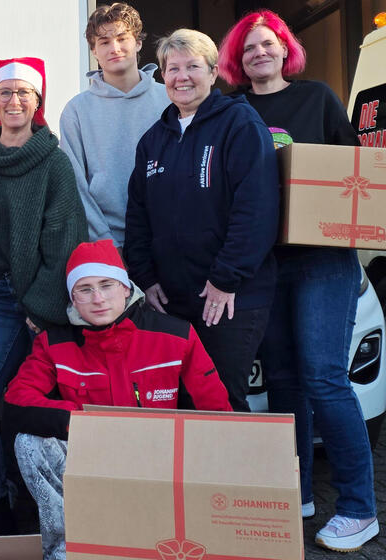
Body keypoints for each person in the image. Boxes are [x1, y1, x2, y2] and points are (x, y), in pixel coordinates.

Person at [218, 10, 379, 551]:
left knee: (323, 376)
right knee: (285, 380)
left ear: (286, 49)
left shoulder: (318, 100)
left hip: (322, 257)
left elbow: (354, 172)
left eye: (268, 43)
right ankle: (299, 493)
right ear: (236, 61)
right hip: (266, 261)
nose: (259, 53)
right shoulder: (232, 110)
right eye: (248, 48)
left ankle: (358, 508)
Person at [4, 239, 232, 560]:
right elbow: (17, 401)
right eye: (85, 289)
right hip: (91, 462)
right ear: (73, 299)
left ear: (125, 288)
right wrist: (84, 421)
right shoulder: (53, 344)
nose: (98, 298)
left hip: (160, 465)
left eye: (106, 285)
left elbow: (219, 414)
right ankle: (67, 548)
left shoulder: (175, 335)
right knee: (29, 443)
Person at [0, 57, 87, 535]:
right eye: (5, 93)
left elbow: (66, 237)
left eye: (23, 93)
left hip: (41, 303)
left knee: (39, 407)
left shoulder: (53, 162)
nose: (14, 101)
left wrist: (43, 305)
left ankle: (47, 503)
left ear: (37, 102)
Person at [123, 29, 279, 413]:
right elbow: (138, 216)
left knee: (220, 404)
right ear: (162, 76)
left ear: (213, 73)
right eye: (173, 68)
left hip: (230, 298)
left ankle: (239, 459)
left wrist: (225, 279)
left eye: (193, 67)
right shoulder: (153, 141)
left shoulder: (239, 124)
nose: (182, 77)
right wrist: (145, 278)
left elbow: (256, 208)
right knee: (178, 404)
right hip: (173, 301)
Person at [59, 2, 169, 246]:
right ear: (93, 51)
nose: (114, 48)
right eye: (104, 42)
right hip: (106, 241)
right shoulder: (76, 111)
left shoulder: (169, 100)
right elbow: (75, 185)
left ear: (138, 43)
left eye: (122, 38)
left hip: (168, 237)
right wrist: (105, 242)